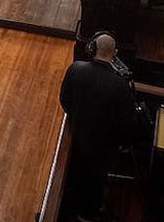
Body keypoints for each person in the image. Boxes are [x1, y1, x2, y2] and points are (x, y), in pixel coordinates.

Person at [59, 32, 137, 222]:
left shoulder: (76, 68)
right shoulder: (121, 86)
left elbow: (65, 101)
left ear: (91, 48)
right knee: (94, 182)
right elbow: (127, 124)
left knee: (75, 176)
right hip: (103, 149)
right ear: (115, 53)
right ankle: (88, 214)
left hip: (76, 138)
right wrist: (122, 144)